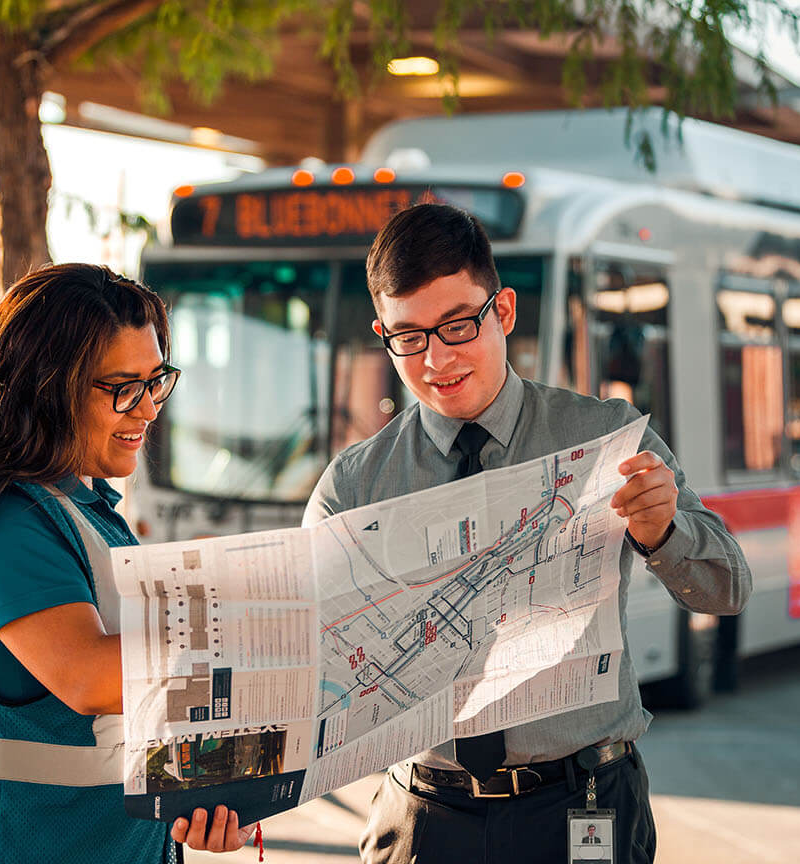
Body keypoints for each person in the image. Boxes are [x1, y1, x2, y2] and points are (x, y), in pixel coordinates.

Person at [303, 204, 752, 864]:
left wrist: (663, 532)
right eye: (410, 337)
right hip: (424, 815)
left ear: (504, 312)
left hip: (583, 806)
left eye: (458, 326)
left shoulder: (604, 439)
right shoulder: (354, 488)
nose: (437, 359)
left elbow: (729, 587)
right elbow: (297, 669)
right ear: (383, 335)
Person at [0, 263, 250, 863]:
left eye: (156, 382)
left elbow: (119, 717)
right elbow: (91, 679)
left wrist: (208, 786)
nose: (149, 409)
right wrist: (263, 630)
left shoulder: (85, 507)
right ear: (47, 386)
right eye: (123, 388)